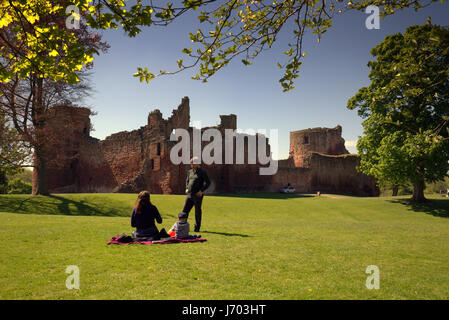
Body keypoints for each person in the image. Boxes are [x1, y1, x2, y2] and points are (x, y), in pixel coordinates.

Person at [182, 157, 211, 232]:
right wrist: (186, 188)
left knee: (197, 211)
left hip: (197, 195)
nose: (191, 164)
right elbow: (187, 181)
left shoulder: (202, 172)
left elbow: (208, 183)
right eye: (191, 163)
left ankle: (197, 228)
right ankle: (182, 226)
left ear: (197, 164)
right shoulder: (189, 172)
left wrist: (201, 191)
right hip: (189, 194)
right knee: (184, 210)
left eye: (192, 163)